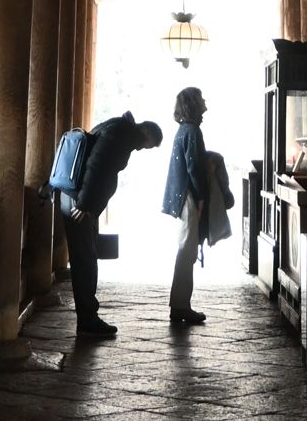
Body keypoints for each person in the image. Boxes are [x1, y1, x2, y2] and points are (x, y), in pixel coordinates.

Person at [62, 112, 162, 339]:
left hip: (74, 196)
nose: (144, 149)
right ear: (147, 133)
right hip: (79, 202)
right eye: (149, 145)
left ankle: (88, 317)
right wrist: (84, 203)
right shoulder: (122, 134)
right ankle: (88, 320)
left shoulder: (116, 126)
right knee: (85, 261)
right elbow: (96, 165)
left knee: (84, 258)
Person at [163, 84, 212, 327]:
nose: (205, 103)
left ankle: (180, 304)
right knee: (187, 251)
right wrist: (202, 197)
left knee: (186, 250)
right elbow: (194, 167)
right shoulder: (192, 131)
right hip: (189, 196)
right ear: (194, 103)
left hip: (182, 195)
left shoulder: (184, 129)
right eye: (201, 98)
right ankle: (181, 305)